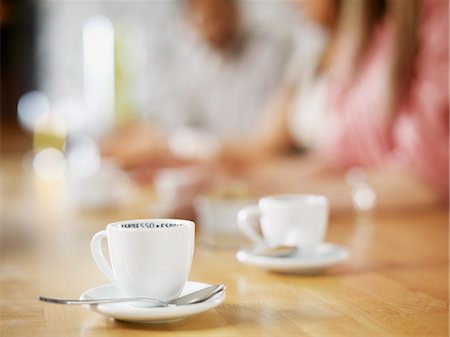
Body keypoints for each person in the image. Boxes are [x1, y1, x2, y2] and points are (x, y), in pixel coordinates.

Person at [219, 0, 448, 212]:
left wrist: (260, 194)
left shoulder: (437, 16)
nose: (291, 3)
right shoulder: (368, 33)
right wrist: (234, 185)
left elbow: (427, 180)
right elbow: (338, 158)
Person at [101, 0, 292, 178]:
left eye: (216, 9)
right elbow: (172, 124)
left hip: (264, 174)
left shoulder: (274, 54)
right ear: (187, 20)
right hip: (220, 176)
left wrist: (176, 145)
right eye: (198, 12)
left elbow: (270, 147)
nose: (207, 18)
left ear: (235, 8)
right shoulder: (195, 67)